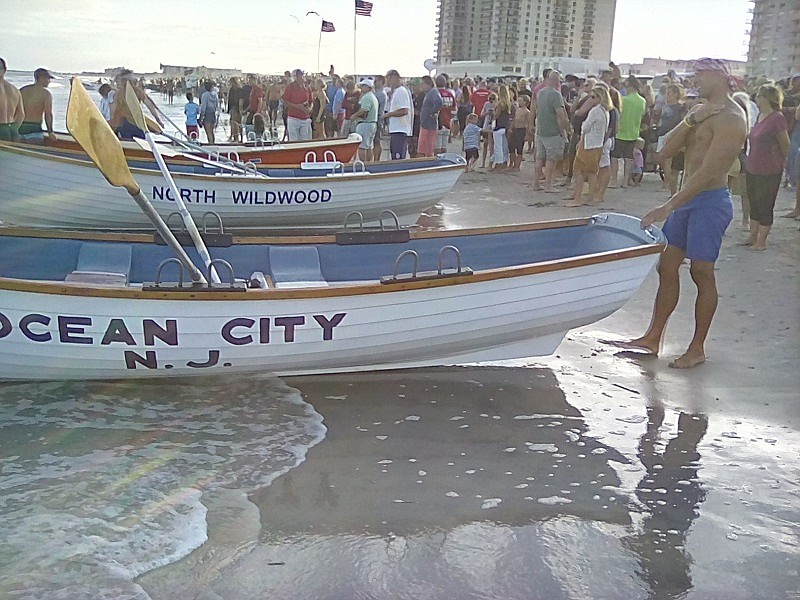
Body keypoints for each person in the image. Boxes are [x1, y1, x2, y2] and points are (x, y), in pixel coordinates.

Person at [610, 58, 748, 369]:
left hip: (710, 201)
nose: (696, 79)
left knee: (701, 271)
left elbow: (711, 170)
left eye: (701, 74)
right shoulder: (698, 112)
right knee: (667, 266)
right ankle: (652, 337)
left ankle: (697, 347)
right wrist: (689, 121)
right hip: (686, 199)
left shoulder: (732, 118)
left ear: (720, 76)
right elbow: (665, 152)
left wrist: (669, 204)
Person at [742, 84, 790, 250]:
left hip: (770, 168)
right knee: (753, 201)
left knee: (765, 203)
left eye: (760, 95)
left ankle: (761, 241)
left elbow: (785, 144)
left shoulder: (777, 118)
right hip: (753, 165)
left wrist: (784, 162)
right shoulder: (760, 116)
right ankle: (753, 236)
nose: (757, 98)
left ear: (767, 98)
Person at [566, 85, 610, 207]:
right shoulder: (605, 111)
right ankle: (590, 197)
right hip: (598, 144)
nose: (591, 99)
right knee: (592, 172)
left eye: (593, 97)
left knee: (579, 170)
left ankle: (577, 198)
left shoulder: (595, 111)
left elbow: (585, 127)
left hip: (589, 144)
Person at [532, 71, 570, 192]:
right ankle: (548, 184)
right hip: (552, 131)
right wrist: (565, 129)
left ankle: (536, 183)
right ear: (557, 80)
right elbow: (561, 115)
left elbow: (536, 110)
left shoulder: (540, 93)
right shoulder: (555, 95)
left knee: (539, 158)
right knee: (551, 159)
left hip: (541, 130)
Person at [611, 76, 647, 188]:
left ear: (629, 86)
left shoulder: (624, 100)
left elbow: (619, 115)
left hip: (621, 132)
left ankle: (614, 181)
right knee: (629, 158)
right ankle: (625, 181)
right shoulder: (642, 101)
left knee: (615, 158)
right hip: (634, 132)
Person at [109, 69, 163, 140]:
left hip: (129, 123)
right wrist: (158, 119)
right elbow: (149, 105)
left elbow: (113, 111)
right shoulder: (136, 92)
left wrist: (158, 119)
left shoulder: (120, 94)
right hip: (135, 123)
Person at [657, 84, 687, 195]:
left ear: (676, 94)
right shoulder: (665, 106)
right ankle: (667, 180)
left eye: (669, 93)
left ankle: (668, 182)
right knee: (661, 158)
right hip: (663, 134)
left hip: (673, 135)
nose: (667, 96)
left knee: (669, 160)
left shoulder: (680, 108)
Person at [19, 68, 55, 143]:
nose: (49, 81)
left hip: (20, 128)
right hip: (35, 129)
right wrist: (50, 132)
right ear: (41, 78)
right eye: (48, 78)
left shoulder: (22, 90)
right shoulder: (46, 94)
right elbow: (48, 115)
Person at [383, 69, 413, 160]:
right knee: (394, 155)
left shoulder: (401, 91)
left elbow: (404, 110)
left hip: (400, 130)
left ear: (393, 78)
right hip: (396, 129)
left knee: (398, 157)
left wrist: (388, 115)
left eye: (388, 78)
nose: (387, 81)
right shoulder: (396, 91)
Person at [352, 78, 379, 162]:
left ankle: (363, 163)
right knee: (369, 146)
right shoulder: (373, 97)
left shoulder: (366, 97)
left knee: (362, 146)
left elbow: (364, 109)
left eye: (363, 86)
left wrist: (354, 115)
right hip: (372, 123)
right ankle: (369, 163)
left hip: (365, 123)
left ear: (368, 87)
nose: (361, 87)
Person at [283, 69, 313, 142]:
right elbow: (286, 102)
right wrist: (298, 106)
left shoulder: (307, 88)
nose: (303, 77)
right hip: (293, 118)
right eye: (301, 75)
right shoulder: (290, 87)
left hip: (305, 118)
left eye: (303, 75)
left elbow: (311, 101)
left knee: (305, 140)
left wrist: (309, 109)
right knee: (294, 140)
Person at [0, 57, 24, 141]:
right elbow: (21, 115)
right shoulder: (15, 90)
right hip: (12, 129)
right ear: (5, 70)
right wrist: (13, 128)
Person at [417, 76, 442, 158]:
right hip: (426, 125)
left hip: (428, 126)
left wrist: (432, 112)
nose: (421, 86)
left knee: (426, 149)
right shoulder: (429, 93)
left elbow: (439, 101)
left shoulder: (433, 92)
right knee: (424, 149)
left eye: (423, 84)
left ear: (428, 84)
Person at [492, 85, 511, 170]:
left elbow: (496, 115)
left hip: (499, 126)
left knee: (498, 146)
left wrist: (493, 111)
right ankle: (504, 161)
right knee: (504, 146)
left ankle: (499, 163)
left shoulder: (500, 103)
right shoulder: (508, 103)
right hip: (505, 126)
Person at [508, 94, 529, 171]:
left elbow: (528, 124)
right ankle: (512, 164)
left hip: (522, 130)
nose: (519, 102)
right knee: (511, 148)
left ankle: (517, 166)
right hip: (515, 129)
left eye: (521, 101)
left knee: (519, 149)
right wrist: (511, 128)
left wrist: (527, 135)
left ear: (525, 102)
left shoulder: (527, 112)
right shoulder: (517, 110)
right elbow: (514, 119)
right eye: (518, 100)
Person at [435, 75, 455, 155]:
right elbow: (454, 109)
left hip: (438, 123)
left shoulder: (436, 93)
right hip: (447, 123)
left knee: (437, 147)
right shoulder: (450, 94)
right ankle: (443, 163)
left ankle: (437, 164)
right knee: (444, 146)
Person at [372, 74, 387, 161]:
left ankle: (376, 159)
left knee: (377, 140)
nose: (374, 82)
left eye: (376, 81)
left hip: (378, 119)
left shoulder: (381, 93)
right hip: (375, 118)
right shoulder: (376, 92)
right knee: (374, 141)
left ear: (381, 82)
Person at [227, 77, 243, 142]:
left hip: (237, 107)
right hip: (233, 107)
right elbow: (229, 99)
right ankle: (234, 136)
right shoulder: (232, 89)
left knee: (237, 123)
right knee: (233, 123)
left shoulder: (239, 90)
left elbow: (240, 99)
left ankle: (238, 137)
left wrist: (240, 108)